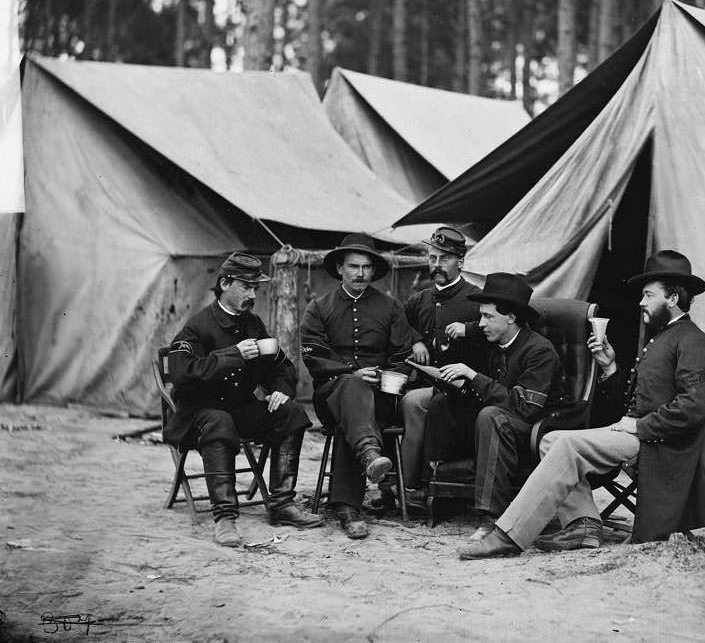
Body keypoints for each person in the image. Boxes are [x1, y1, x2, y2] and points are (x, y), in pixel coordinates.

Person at [458, 250, 705, 560]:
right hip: (640, 433)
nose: (641, 302)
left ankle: (509, 535)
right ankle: (583, 524)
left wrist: (639, 426)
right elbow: (631, 402)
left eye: (648, 295)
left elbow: (693, 409)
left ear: (672, 298)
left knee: (566, 446)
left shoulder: (693, 341)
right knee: (552, 439)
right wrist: (610, 368)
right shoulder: (663, 337)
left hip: (664, 442)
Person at [165, 252, 323, 548]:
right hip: (199, 414)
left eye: (256, 288)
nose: (253, 294)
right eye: (246, 287)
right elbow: (181, 375)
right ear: (225, 283)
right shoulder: (196, 328)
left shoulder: (254, 325)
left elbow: (281, 366)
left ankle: (281, 503)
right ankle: (225, 517)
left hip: (239, 410)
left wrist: (280, 389)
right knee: (219, 420)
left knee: (291, 412)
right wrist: (232, 355)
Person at [300, 233, 415, 539]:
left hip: (381, 397)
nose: (361, 273)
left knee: (353, 416)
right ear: (340, 268)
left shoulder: (390, 307)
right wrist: (352, 372)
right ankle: (369, 456)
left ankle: (348, 508)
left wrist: (383, 379)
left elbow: (403, 359)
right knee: (351, 387)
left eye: (366, 267)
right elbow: (312, 355)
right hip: (331, 395)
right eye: (354, 266)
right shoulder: (319, 307)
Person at [433, 272, 563, 541]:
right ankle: (430, 491)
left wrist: (472, 376)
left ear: (512, 317)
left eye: (488, 317)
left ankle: (491, 518)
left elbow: (525, 407)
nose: (481, 323)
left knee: (491, 416)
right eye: (481, 316)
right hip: (497, 420)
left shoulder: (540, 350)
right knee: (440, 403)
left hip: (535, 427)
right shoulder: (492, 341)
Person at [400, 227, 484, 496]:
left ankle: (410, 485)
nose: (437, 265)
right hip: (424, 382)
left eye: (444, 259)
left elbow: (496, 333)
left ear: (460, 261)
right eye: (432, 258)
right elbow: (399, 327)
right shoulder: (418, 300)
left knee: (414, 404)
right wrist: (415, 340)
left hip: (464, 388)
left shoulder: (477, 299)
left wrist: (469, 329)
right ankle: (398, 482)